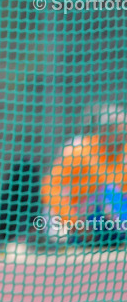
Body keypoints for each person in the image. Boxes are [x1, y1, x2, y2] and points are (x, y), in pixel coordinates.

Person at [40, 103, 127, 246]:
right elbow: (49, 188)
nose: (123, 134)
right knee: (104, 192)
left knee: (109, 192)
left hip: (108, 219)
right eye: (118, 129)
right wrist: (73, 221)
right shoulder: (79, 150)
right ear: (105, 130)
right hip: (77, 216)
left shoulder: (124, 153)